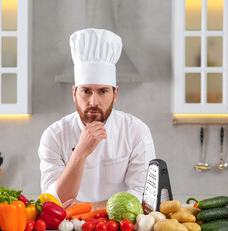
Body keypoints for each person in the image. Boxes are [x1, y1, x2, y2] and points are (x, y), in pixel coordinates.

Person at [39, 28, 156, 210]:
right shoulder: (54, 136)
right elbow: (52, 202)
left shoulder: (136, 132)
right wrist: (79, 153)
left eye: (103, 91)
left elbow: (143, 196)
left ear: (115, 94)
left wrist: (90, 207)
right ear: (74, 93)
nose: (94, 102)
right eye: (86, 91)